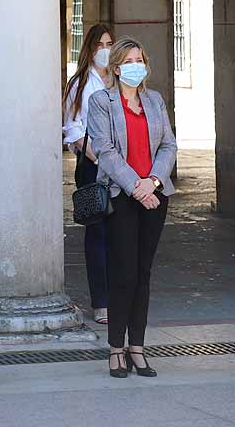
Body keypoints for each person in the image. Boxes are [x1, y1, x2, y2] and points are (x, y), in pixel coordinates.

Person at [87, 37, 177, 379]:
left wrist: (152, 181)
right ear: (117, 66)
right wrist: (136, 187)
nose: (137, 65)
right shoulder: (101, 101)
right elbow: (105, 151)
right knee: (123, 273)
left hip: (155, 193)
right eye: (131, 60)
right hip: (121, 195)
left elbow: (169, 144)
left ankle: (137, 347)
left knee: (143, 273)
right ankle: (115, 349)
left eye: (141, 59)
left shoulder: (154, 100)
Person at [62, 23, 115, 324]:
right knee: (98, 233)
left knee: (121, 233)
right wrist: (100, 157)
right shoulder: (80, 84)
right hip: (93, 166)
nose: (105, 50)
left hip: (122, 167)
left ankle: (119, 294)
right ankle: (101, 302)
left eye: (110, 43)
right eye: (100, 44)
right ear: (90, 48)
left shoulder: (120, 79)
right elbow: (73, 131)